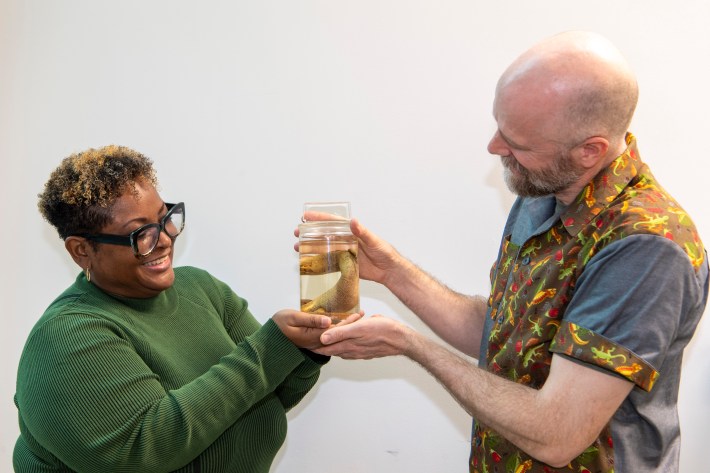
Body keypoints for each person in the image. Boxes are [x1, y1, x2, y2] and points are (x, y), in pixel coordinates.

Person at [307, 31, 709, 472]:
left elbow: (558, 435)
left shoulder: (646, 249)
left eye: (517, 142)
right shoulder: (543, 191)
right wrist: (392, 271)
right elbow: (504, 335)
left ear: (588, 152)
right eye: (499, 125)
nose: (495, 147)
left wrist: (408, 344)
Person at [14, 145, 334, 473]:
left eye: (164, 218)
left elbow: (272, 393)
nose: (165, 239)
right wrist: (269, 349)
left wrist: (306, 349)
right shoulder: (66, 337)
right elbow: (145, 453)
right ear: (81, 250)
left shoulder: (201, 289)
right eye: (141, 233)